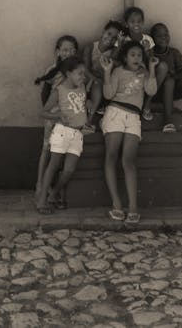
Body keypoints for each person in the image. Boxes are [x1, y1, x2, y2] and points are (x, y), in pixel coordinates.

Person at [100, 40, 158, 225]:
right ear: (125, 57)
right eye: (132, 55)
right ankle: (116, 203)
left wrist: (151, 69)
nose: (136, 58)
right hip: (115, 112)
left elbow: (152, 90)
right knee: (111, 155)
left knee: (129, 160)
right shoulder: (118, 72)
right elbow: (108, 95)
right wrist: (107, 73)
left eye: (139, 55)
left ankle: (133, 206)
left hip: (133, 116)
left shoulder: (144, 73)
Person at [36, 57, 89, 214]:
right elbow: (43, 112)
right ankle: (42, 202)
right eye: (79, 73)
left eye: (84, 73)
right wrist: (58, 116)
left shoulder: (82, 87)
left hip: (78, 133)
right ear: (68, 73)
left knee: (69, 170)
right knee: (53, 165)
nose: (83, 76)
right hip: (62, 131)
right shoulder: (59, 90)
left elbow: (82, 105)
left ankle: (53, 194)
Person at [33, 35, 80, 200]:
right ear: (58, 52)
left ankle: (59, 190)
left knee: (64, 152)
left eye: (73, 50)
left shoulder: (77, 71)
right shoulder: (52, 70)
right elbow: (44, 96)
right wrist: (50, 115)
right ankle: (40, 184)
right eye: (65, 50)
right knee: (47, 149)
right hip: (53, 116)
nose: (69, 53)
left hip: (70, 119)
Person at [149, 23, 182, 133]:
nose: (164, 38)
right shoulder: (149, 54)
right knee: (168, 81)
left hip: (171, 90)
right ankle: (168, 121)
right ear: (152, 39)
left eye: (166, 35)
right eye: (159, 36)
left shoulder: (173, 53)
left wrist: (173, 77)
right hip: (153, 91)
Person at [118, 6, 156, 120]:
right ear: (126, 23)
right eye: (132, 21)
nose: (136, 24)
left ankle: (147, 104)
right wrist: (120, 44)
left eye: (139, 21)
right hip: (129, 69)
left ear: (143, 22)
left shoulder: (147, 39)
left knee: (159, 69)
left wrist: (146, 50)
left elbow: (152, 59)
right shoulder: (123, 39)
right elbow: (117, 58)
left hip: (145, 69)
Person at [82, 20, 123, 127]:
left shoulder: (113, 51)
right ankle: (88, 117)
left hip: (103, 81)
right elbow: (85, 69)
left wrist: (118, 46)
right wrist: (95, 80)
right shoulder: (90, 47)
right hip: (89, 79)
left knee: (100, 85)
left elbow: (113, 64)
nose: (110, 38)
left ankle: (90, 120)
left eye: (114, 38)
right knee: (96, 84)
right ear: (103, 32)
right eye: (109, 34)